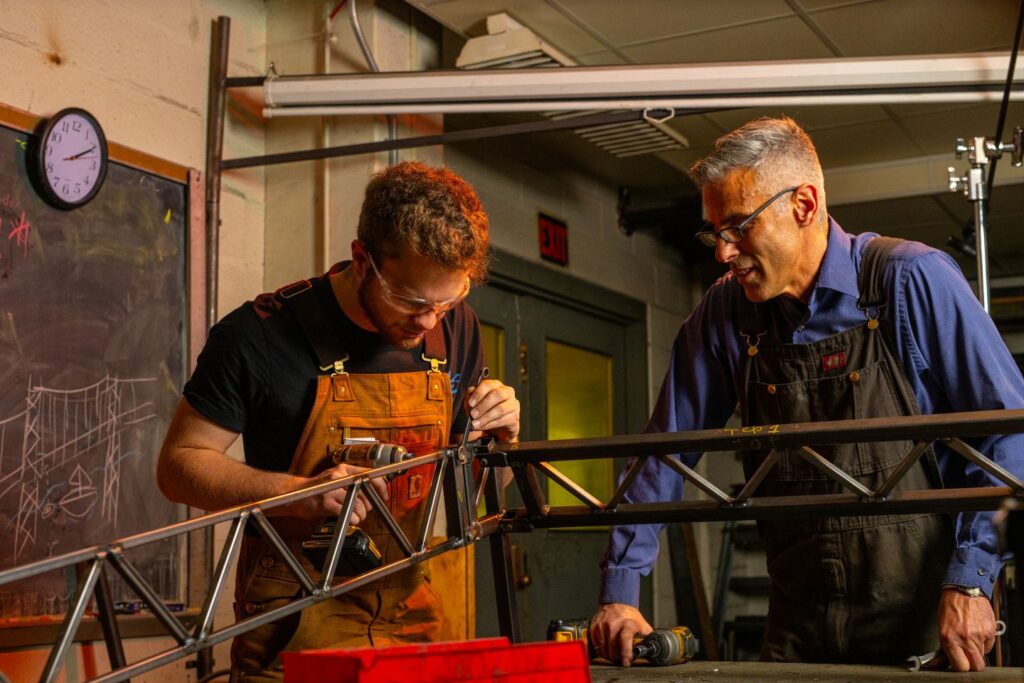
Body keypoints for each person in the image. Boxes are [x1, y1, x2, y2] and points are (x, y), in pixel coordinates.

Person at [589, 117, 1024, 672]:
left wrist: (973, 580)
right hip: (798, 629)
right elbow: (664, 449)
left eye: (739, 227)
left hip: (929, 627)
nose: (723, 253)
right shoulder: (726, 315)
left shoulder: (909, 281)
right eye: (715, 232)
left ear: (804, 204)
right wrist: (620, 588)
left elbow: (1007, 435)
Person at [157, 162, 520, 681]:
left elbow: (481, 493)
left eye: (448, 300)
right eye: (410, 300)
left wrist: (502, 441)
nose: (427, 322)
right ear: (361, 259)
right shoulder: (257, 335)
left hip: (408, 619)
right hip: (292, 626)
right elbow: (177, 467)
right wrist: (296, 493)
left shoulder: (455, 330)